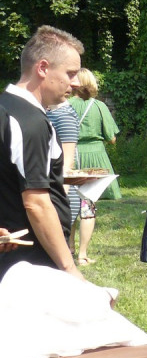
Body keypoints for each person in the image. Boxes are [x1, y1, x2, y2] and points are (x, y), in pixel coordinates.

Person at [0, 25, 85, 281]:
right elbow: (36, 203)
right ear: (43, 68)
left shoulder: (5, 107)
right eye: (70, 73)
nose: (77, 82)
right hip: (28, 265)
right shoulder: (29, 122)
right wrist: (69, 268)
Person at [68, 68, 120, 265]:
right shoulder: (99, 107)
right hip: (95, 157)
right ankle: (82, 254)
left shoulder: (64, 105)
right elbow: (112, 138)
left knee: (70, 202)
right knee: (87, 204)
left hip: (71, 155)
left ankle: (69, 246)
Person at [46, 98, 82, 253]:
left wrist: (59, 200)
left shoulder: (64, 116)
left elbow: (67, 164)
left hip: (60, 192)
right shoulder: (49, 112)